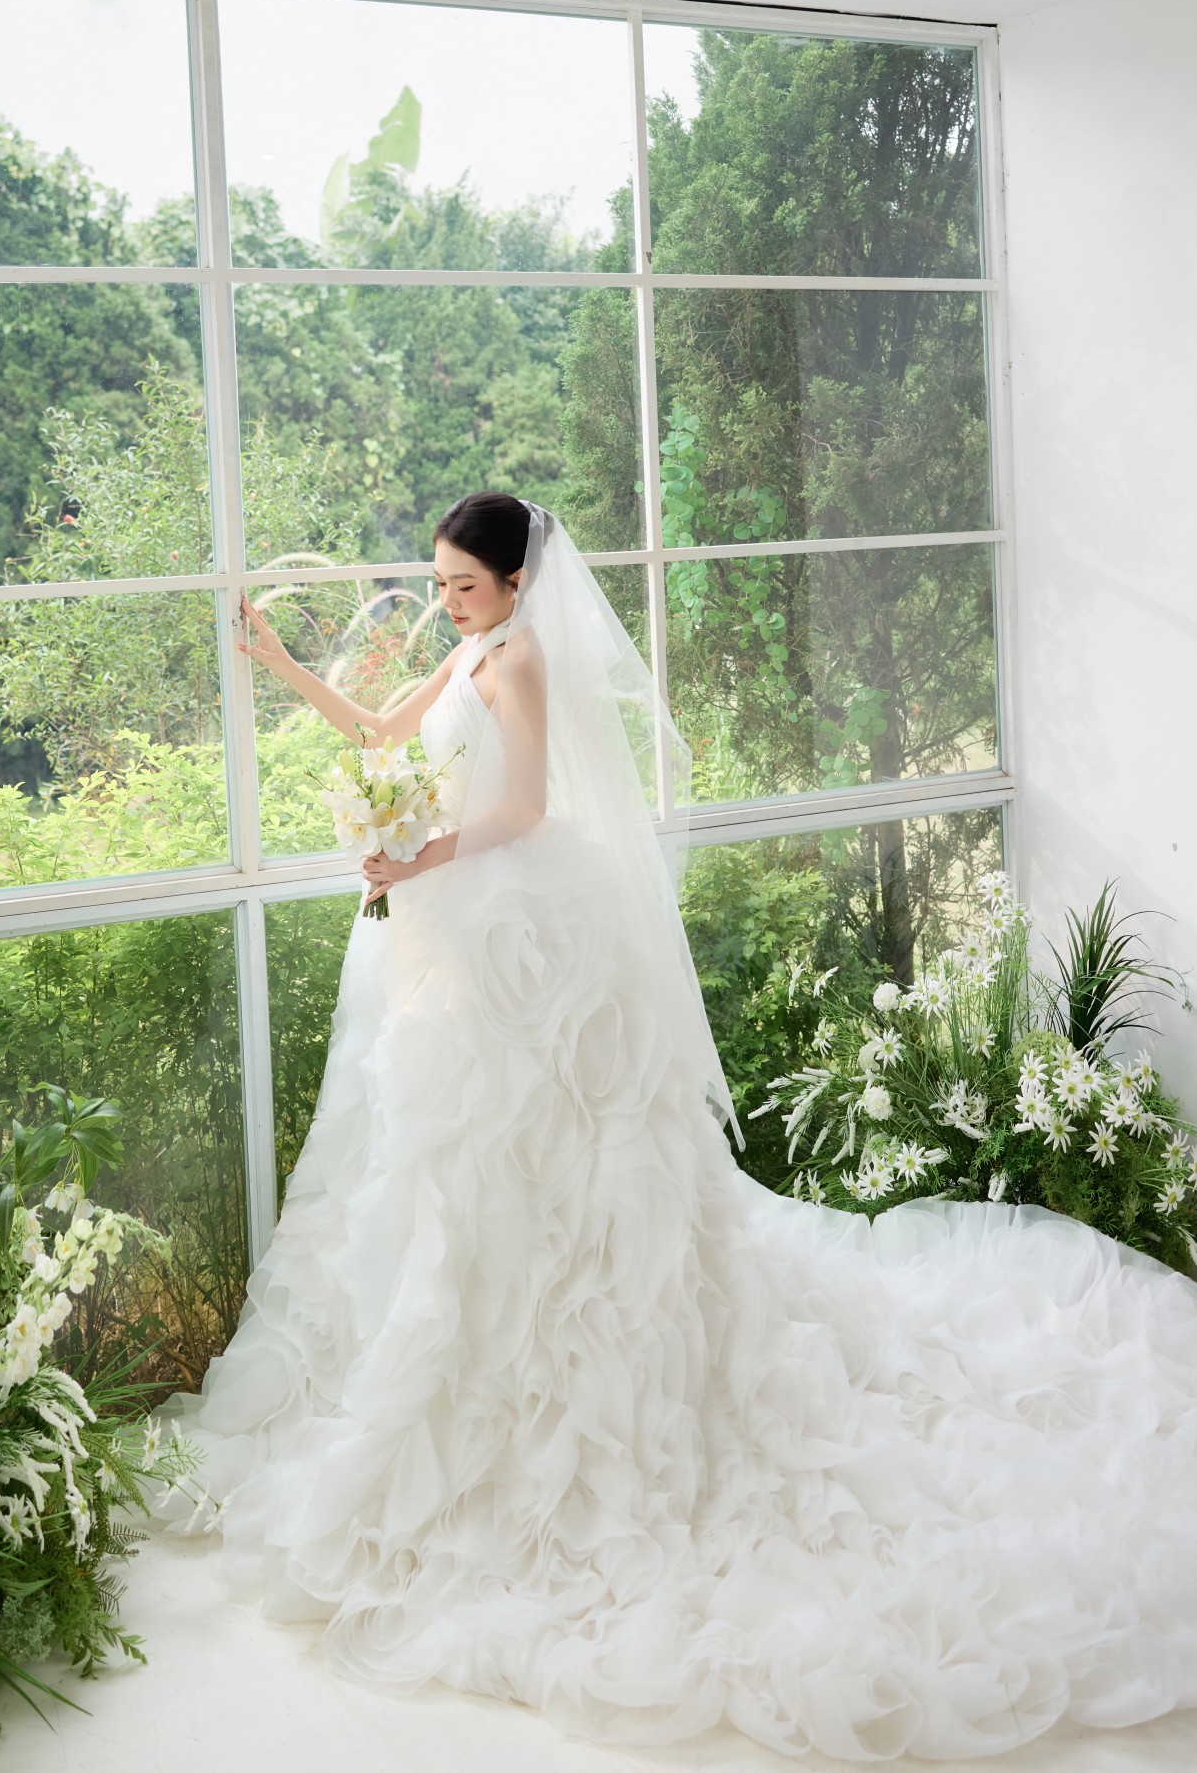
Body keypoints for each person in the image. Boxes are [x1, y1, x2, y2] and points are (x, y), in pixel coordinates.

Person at [149, 492, 1197, 1762]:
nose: (447, 602)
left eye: (464, 585)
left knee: (568, 1167)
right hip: (465, 940)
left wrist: (413, 855)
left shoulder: (521, 660)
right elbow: (383, 729)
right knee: (455, 1172)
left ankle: (590, 1400)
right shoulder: (470, 651)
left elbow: (523, 810)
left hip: (524, 932)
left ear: (518, 583)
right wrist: (279, 666)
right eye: (438, 582)